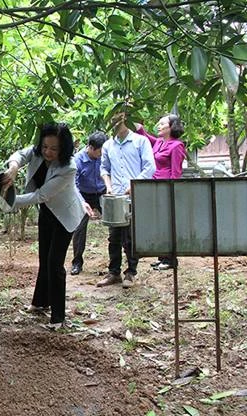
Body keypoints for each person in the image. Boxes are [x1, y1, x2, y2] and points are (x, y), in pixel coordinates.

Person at [2, 122, 90, 328]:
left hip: (65, 216)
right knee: (44, 258)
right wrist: (13, 167)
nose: (48, 152)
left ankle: (58, 316)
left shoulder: (69, 167)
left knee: (54, 263)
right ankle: (40, 302)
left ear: (64, 148)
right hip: (47, 213)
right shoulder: (37, 153)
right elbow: (20, 155)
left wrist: (7, 201)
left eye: (54, 148)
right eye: (45, 147)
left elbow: (41, 195)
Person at [96, 110, 156, 289]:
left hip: (134, 195)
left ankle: (131, 272)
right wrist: (108, 184)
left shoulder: (140, 141)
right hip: (115, 196)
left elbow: (150, 167)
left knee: (130, 236)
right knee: (113, 236)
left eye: (118, 119)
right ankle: (113, 272)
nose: (115, 123)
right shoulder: (108, 145)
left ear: (127, 120)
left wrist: (134, 184)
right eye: (112, 120)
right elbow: (104, 168)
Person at [135, 115, 186, 270]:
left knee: (168, 224)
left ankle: (171, 259)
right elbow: (142, 134)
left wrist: (171, 192)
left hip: (166, 189)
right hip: (154, 187)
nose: (159, 125)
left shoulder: (177, 146)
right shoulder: (158, 143)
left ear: (171, 127)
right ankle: (162, 257)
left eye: (162, 123)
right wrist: (130, 114)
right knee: (159, 223)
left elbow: (176, 172)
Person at [70, 132, 108, 275]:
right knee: (79, 228)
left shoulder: (104, 156)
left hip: (103, 192)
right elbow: (73, 185)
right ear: (91, 148)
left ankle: (119, 263)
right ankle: (77, 263)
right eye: (99, 151)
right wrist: (82, 202)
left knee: (116, 223)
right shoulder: (78, 160)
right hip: (83, 195)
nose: (101, 154)